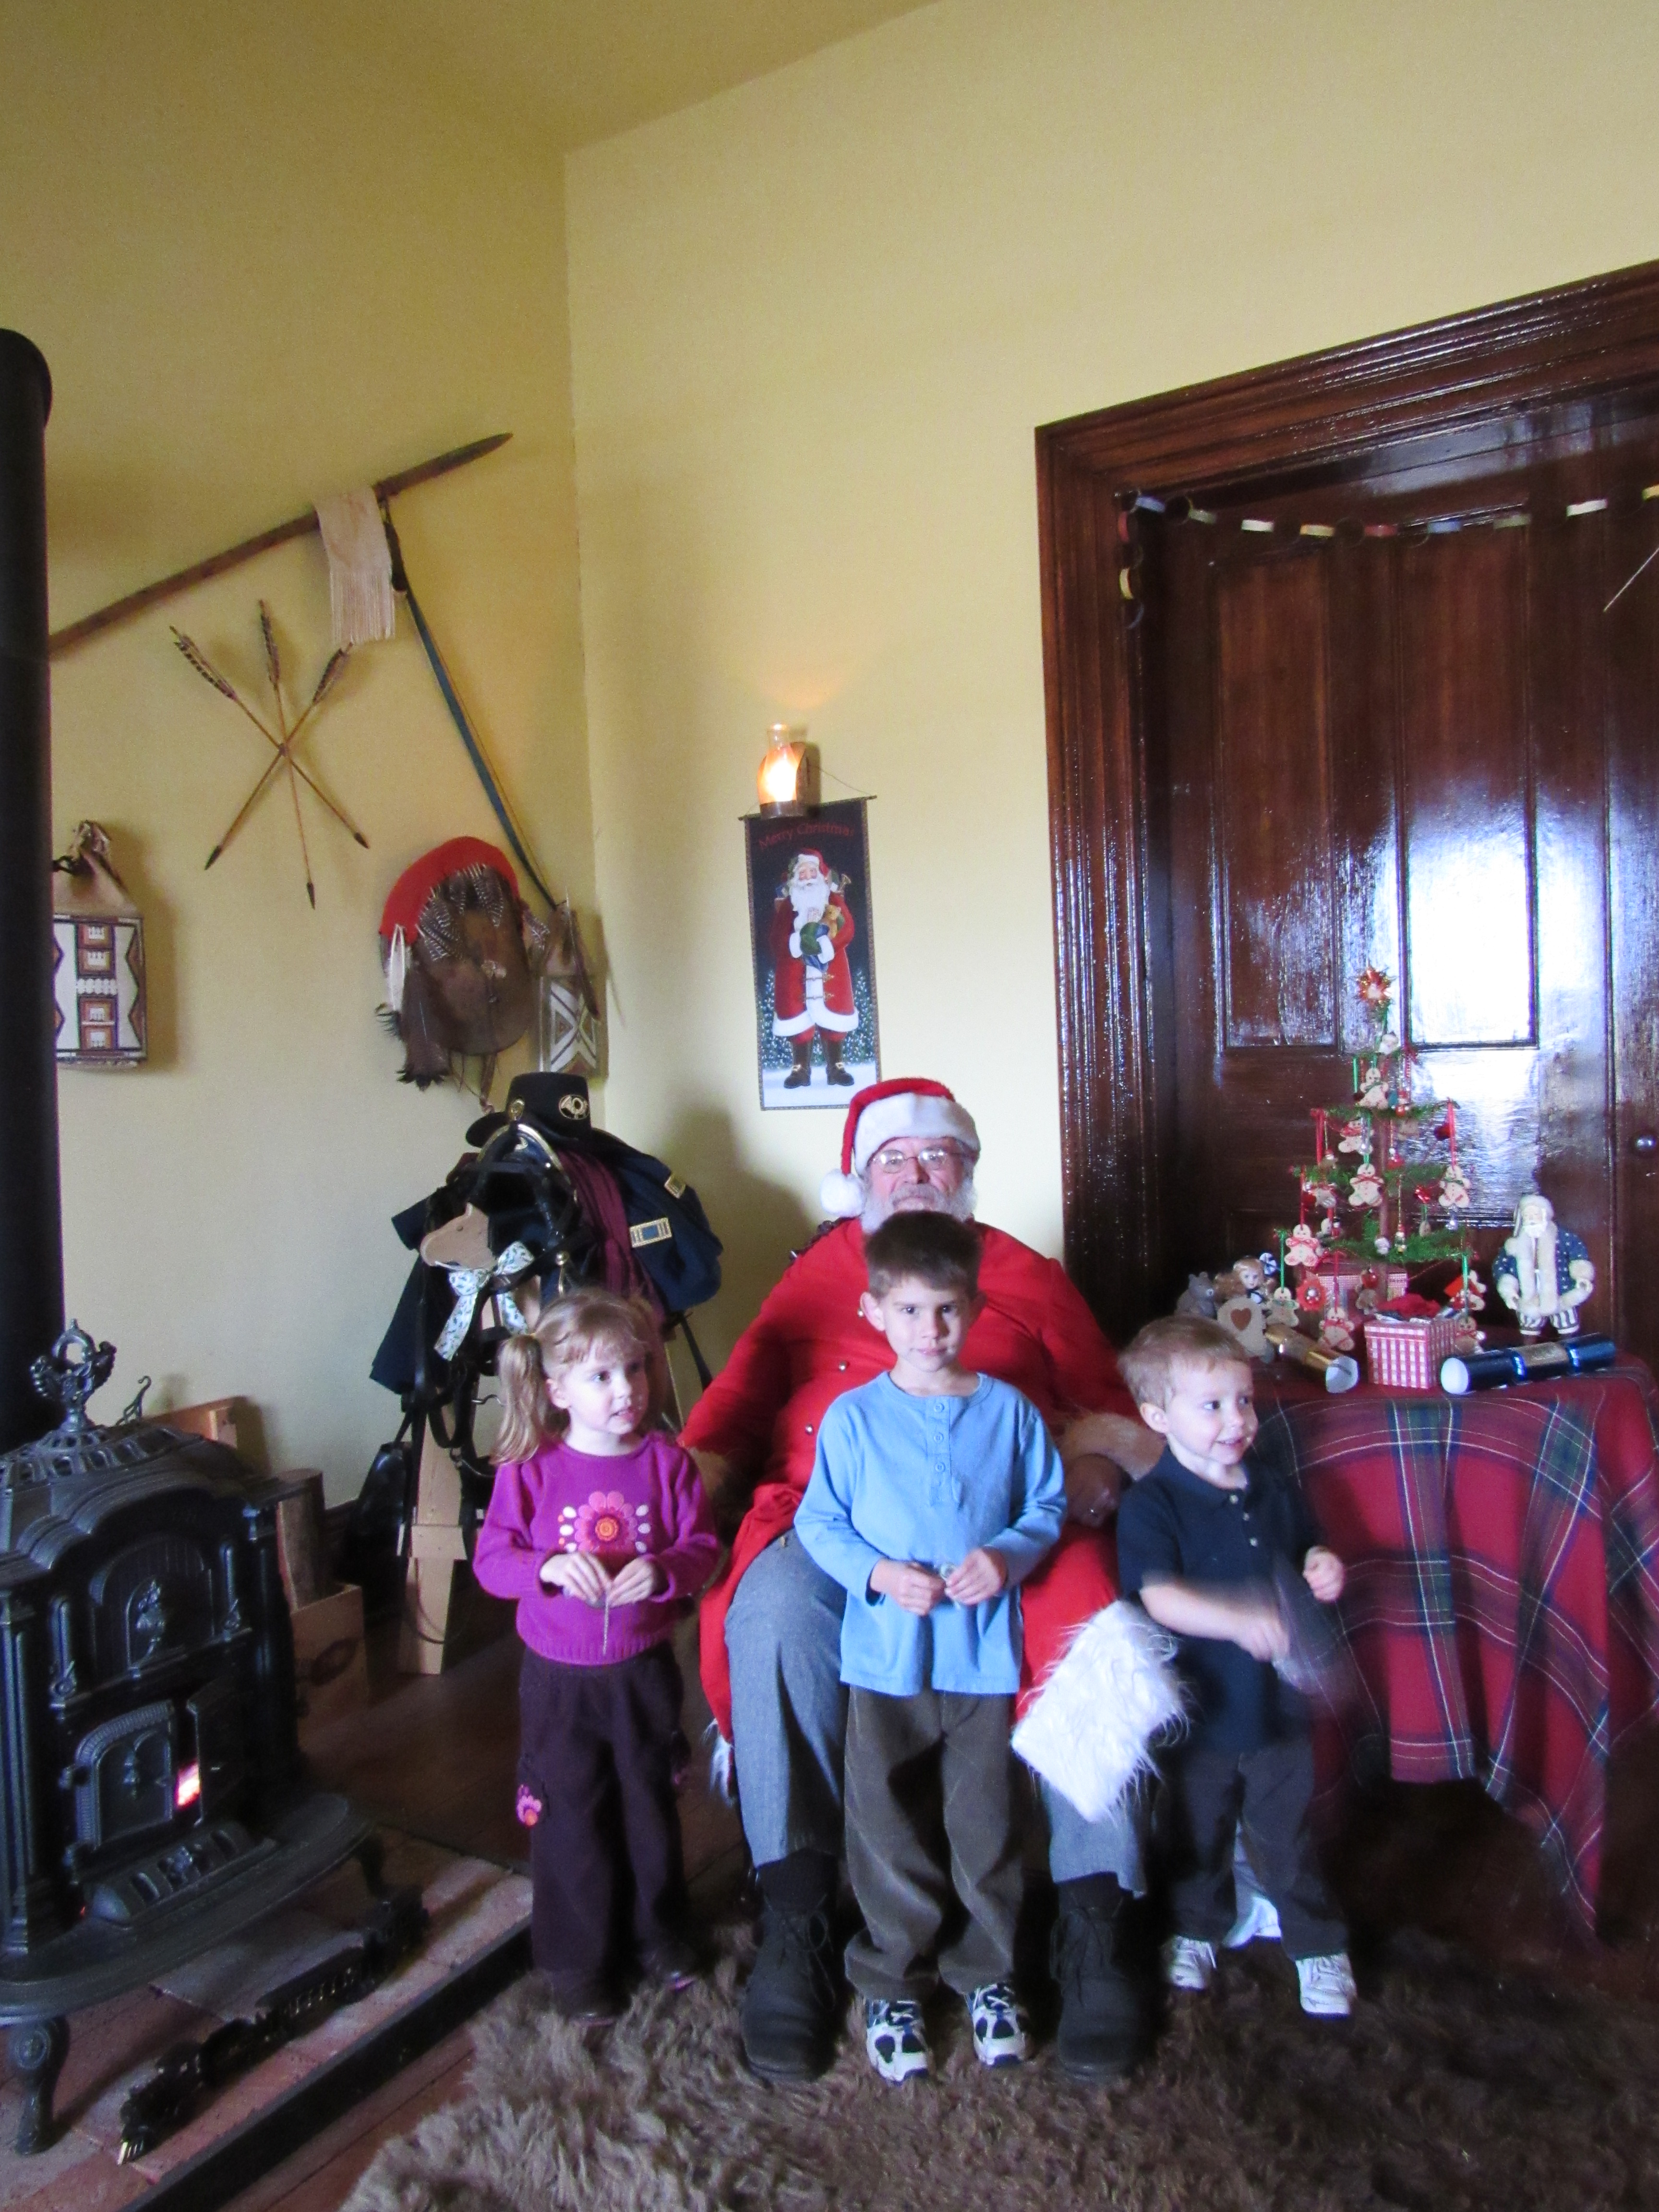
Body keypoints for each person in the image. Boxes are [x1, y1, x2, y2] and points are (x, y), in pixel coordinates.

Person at [685, 1076, 1160, 2083]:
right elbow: (732, 1407)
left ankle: (1094, 1919)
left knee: (1093, 1620)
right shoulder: (818, 1276)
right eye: (892, 1159)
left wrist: (1095, 1465)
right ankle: (799, 1916)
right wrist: (676, 1486)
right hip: (834, 1524)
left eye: (936, 1156)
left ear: (966, 1173)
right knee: (773, 1611)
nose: (914, 1173)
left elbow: (1106, 1402)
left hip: (1011, 1523)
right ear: (859, 1182)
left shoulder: (1022, 1273)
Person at [794, 1214, 1066, 2081]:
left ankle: (989, 1974)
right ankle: (895, 1981)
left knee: (986, 1823)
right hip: (886, 1659)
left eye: (947, 1308)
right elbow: (820, 1523)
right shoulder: (852, 1419)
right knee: (885, 1823)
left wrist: (1007, 1556)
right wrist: (876, 1574)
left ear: (975, 1307)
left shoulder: (1010, 1413)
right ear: (875, 1310)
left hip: (981, 1661)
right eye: (909, 1310)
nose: (929, 1329)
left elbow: (1046, 1507)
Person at [474, 1288, 720, 2022]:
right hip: (558, 1683)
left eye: (636, 1370)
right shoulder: (531, 1469)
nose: (627, 1390)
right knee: (570, 1816)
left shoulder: (668, 1464)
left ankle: (660, 1935)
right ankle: (578, 1960)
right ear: (558, 1391)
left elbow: (703, 1549)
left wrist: (667, 1570)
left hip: (643, 1673)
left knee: (649, 1807)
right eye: (602, 1377)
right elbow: (492, 1561)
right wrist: (547, 1567)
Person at [1114, 1314, 1357, 2019]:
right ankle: (1196, 1929)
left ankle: (1318, 1944)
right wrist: (1236, 1620)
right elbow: (1158, 1597)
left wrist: (1322, 1563)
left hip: (1277, 1702)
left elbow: (1306, 1545)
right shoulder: (1152, 1504)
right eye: (1213, 1406)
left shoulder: (1271, 1487)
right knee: (1197, 1830)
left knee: (1287, 1831)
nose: (1237, 1421)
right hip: (1201, 1707)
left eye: (1244, 1401)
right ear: (1158, 1417)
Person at [769, 849, 858, 1087]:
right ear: (795, 878)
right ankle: (801, 1069)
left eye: (812, 871)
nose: (808, 877)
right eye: (803, 873)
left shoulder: (832, 900)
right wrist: (794, 943)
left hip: (831, 970)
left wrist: (828, 944)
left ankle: (836, 1066)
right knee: (797, 1021)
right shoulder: (789, 906)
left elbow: (847, 928)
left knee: (835, 1020)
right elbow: (776, 939)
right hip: (795, 973)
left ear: (820, 874)